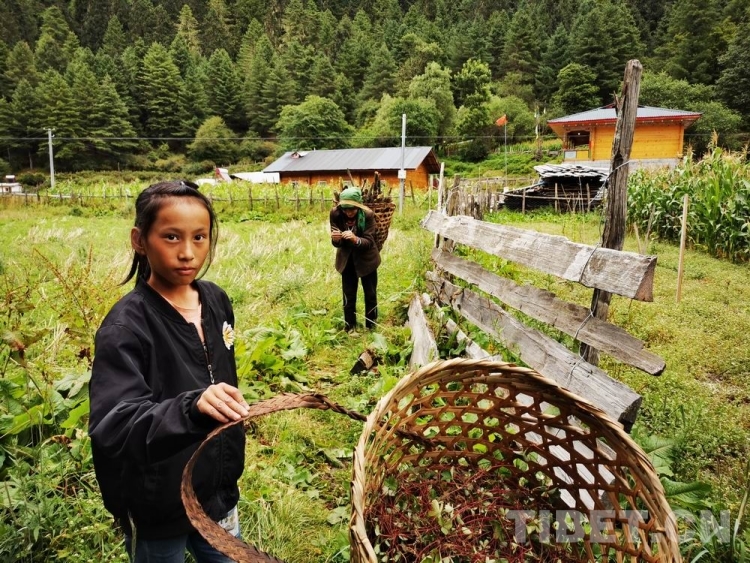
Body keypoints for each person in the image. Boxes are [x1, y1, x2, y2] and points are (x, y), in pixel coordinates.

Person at [88, 180, 250, 563]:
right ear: (139, 240)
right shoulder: (126, 327)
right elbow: (115, 426)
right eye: (172, 237)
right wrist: (192, 408)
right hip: (157, 506)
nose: (188, 253)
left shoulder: (216, 300)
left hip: (216, 494)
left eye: (199, 237)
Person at [329, 186, 381, 332]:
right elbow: (336, 242)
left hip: (367, 260)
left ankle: (371, 326)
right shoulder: (335, 214)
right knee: (348, 295)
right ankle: (350, 326)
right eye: (345, 209)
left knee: (370, 294)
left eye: (352, 209)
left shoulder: (368, 215)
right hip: (347, 260)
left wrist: (355, 239)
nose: (349, 212)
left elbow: (369, 242)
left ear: (358, 206)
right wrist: (336, 239)